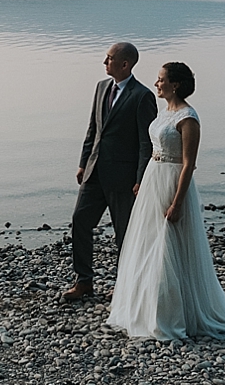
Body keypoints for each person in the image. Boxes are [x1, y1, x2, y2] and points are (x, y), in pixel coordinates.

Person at [106, 62, 225, 339]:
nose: (156, 83)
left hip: (173, 182)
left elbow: (188, 164)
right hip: (153, 178)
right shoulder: (165, 112)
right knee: (147, 242)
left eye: (161, 80)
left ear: (175, 84)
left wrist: (177, 202)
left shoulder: (188, 118)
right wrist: (142, 180)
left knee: (168, 247)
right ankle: (143, 306)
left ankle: (170, 314)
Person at [63, 42, 158, 300]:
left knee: (124, 235)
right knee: (80, 221)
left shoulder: (142, 96)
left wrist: (141, 179)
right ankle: (84, 282)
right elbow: (93, 129)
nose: (104, 62)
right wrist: (84, 163)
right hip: (94, 173)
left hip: (123, 179)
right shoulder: (101, 87)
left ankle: (125, 285)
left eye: (109, 58)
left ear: (124, 64)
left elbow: (145, 143)